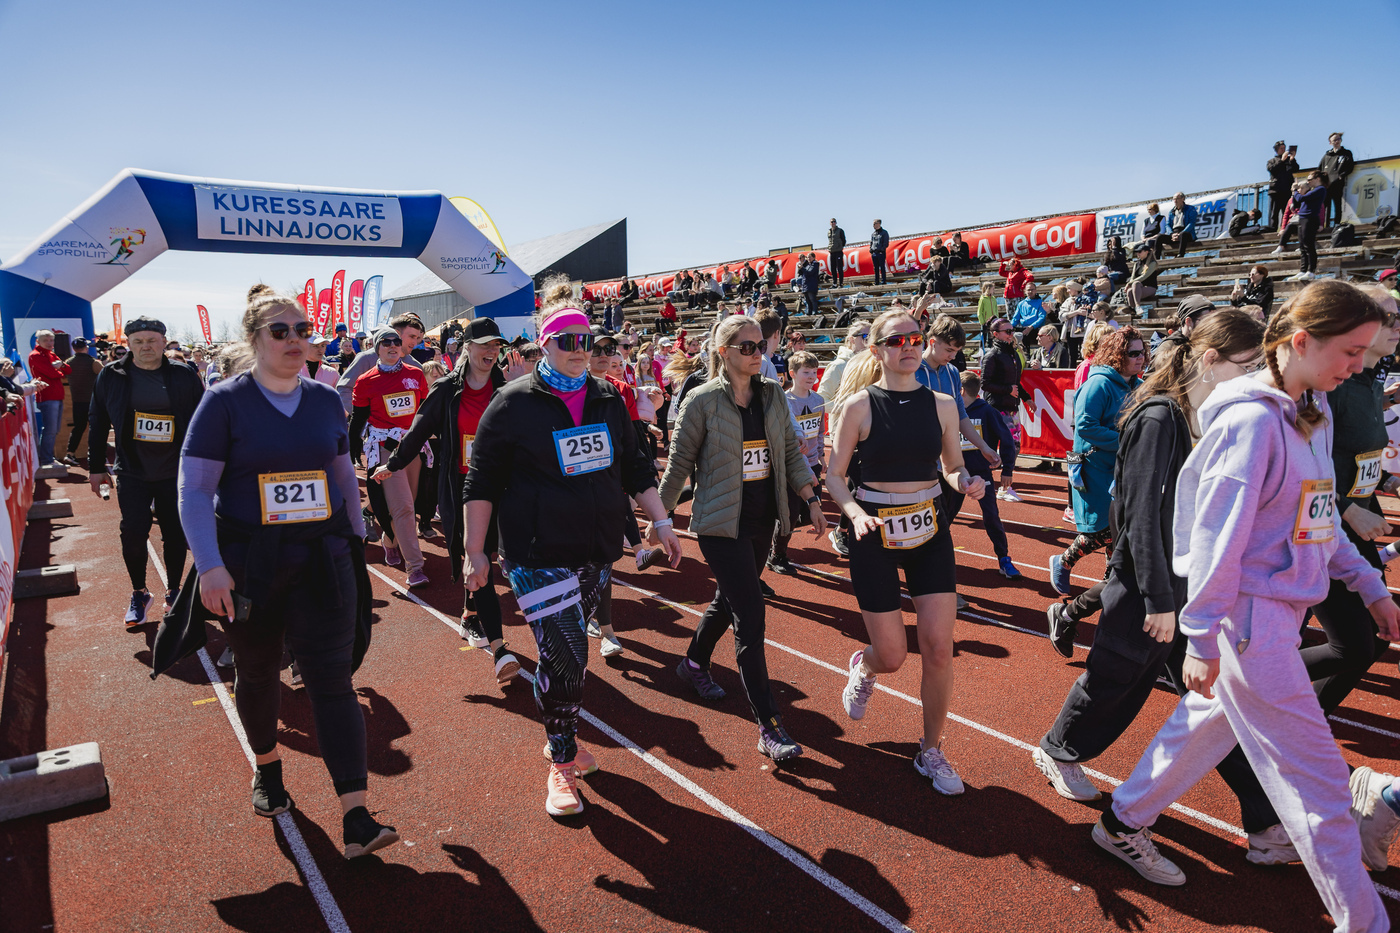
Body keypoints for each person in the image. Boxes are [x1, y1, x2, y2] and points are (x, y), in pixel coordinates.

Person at [1093, 282, 1400, 927]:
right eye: (1351, 351)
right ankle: (1364, 921)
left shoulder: (1314, 408)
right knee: (1320, 785)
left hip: (1273, 616)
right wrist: (1202, 634)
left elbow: (1318, 521)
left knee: (1201, 730)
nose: (1359, 366)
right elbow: (1214, 537)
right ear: (1301, 341)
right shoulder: (1252, 422)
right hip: (1249, 624)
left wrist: (1369, 586)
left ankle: (1121, 820)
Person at [1036, 311, 1299, 864]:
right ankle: (1059, 750)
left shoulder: (1214, 414)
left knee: (1214, 702)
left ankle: (1265, 823)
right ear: (1210, 360)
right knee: (1116, 680)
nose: (1257, 376)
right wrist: (1158, 599)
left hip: (1190, 584)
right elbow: (1139, 518)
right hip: (1147, 584)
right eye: (1248, 365)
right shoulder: (1159, 417)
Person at [179, 284, 397, 859]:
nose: (296, 339)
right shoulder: (223, 402)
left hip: (322, 558)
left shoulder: (324, 399)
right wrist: (210, 567)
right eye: (281, 331)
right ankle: (269, 768)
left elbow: (341, 471)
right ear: (254, 339)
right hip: (250, 566)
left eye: (303, 330)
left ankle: (356, 815)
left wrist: (356, 536)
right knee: (257, 674)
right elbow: (195, 490)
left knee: (332, 680)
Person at [464, 282, 680, 816]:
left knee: (566, 657)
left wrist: (661, 520)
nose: (580, 349)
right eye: (568, 340)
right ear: (545, 344)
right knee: (568, 656)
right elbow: (481, 481)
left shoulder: (606, 397)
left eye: (587, 340)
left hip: (595, 549)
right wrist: (474, 551)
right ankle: (561, 763)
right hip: (536, 553)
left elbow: (633, 467)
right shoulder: (512, 403)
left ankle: (558, 731)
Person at [827, 309, 986, 794]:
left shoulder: (943, 404)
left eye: (915, 338)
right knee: (894, 654)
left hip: (929, 530)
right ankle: (866, 665)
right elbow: (835, 476)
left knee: (938, 647)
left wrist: (967, 480)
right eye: (896, 341)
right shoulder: (859, 406)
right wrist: (854, 513)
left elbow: (952, 467)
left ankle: (930, 749)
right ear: (877, 350)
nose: (909, 346)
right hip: (874, 531)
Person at [659, 315, 825, 761]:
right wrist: (660, 517)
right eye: (747, 347)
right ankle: (769, 726)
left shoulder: (772, 394)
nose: (757, 354)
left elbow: (789, 451)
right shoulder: (701, 401)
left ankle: (693, 662)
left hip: (761, 520)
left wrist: (810, 497)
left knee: (728, 599)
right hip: (719, 524)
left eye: (760, 347)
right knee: (750, 615)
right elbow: (678, 465)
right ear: (723, 352)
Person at [373, 316, 529, 686]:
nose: (491, 351)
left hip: (502, 485)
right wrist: (393, 464)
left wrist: (521, 388)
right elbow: (418, 430)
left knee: (489, 557)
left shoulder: (506, 385)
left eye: (496, 345)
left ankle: (471, 614)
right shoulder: (446, 389)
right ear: (467, 348)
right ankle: (499, 648)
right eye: (484, 344)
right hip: (461, 486)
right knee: (476, 556)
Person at [1304, 283, 1400, 715]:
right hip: (1321, 525)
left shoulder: (1368, 380)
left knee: (1371, 638)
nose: (1397, 326)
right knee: (1357, 642)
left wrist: (1387, 483)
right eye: (1387, 317)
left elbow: (1357, 455)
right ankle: (1258, 691)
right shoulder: (1333, 386)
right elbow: (1306, 462)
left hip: (1351, 524)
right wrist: (1346, 508)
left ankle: (1307, 718)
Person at [88, 317, 205, 624]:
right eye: (138, 342)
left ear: (164, 342)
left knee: (175, 533)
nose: (146, 347)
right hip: (132, 469)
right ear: (128, 344)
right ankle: (139, 592)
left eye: (152, 340)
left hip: (175, 470)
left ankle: (174, 591)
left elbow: (202, 419)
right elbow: (98, 420)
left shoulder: (183, 374)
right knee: (133, 533)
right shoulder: (112, 374)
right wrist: (96, 467)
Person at [1049, 327, 1145, 596]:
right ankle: (1064, 561)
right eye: (1133, 353)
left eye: (1142, 352)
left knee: (1121, 528)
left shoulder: (1139, 386)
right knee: (1103, 529)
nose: (1140, 358)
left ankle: (1109, 584)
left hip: (1122, 466)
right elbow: (1086, 427)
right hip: (1093, 467)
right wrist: (1127, 440)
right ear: (1117, 355)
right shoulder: (1097, 384)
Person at [350, 329, 430, 588]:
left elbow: (424, 410)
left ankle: (389, 539)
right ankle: (415, 568)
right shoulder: (365, 380)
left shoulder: (416, 374)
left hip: (413, 447)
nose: (393, 345)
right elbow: (359, 418)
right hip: (384, 447)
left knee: (411, 503)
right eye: (386, 342)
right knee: (402, 507)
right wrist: (353, 448)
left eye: (397, 341)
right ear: (377, 347)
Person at [766, 350, 825, 575]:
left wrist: (821, 456)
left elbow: (819, 432)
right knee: (789, 514)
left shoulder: (818, 400)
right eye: (806, 372)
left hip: (813, 463)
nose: (811, 377)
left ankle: (777, 528)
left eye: (814, 372)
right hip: (793, 466)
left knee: (807, 513)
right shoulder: (785, 400)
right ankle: (777, 554)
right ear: (792, 373)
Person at [980, 318, 1025, 502]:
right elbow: (985, 383)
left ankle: (1002, 487)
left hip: (1012, 407)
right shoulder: (992, 355)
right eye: (1007, 331)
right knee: (1000, 446)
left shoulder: (1012, 353)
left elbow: (1016, 382)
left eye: (1012, 330)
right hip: (997, 408)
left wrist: (1027, 398)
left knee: (1013, 446)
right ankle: (995, 486)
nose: (1010, 334)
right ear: (995, 334)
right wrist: (1008, 390)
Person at [28, 329, 71, 468]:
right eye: (45, 340)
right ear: (38, 341)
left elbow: (68, 370)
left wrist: (61, 366)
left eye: (51, 340)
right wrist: (59, 369)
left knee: (54, 430)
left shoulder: (51, 354)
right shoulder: (35, 355)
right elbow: (53, 374)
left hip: (57, 396)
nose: (49, 343)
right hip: (47, 396)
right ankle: (46, 460)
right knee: (50, 430)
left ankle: (48, 458)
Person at [61, 337, 101, 468]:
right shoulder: (93, 362)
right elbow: (106, 376)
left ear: (73, 348)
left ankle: (70, 453)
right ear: (86, 347)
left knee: (78, 428)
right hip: (93, 401)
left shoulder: (68, 362)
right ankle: (95, 454)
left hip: (77, 401)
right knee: (96, 428)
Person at [1289, 171, 1328, 282]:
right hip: (1302, 218)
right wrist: (1295, 193)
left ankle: (1311, 271)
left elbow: (1302, 198)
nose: (1308, 182)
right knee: (1302, 245)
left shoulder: (1320, 189)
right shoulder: (1311, 191)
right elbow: (1297, 201)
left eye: (1310, 180)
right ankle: (1303, 270)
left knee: (1308, 245)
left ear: (1317, 179)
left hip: (1310, 219)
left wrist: (1295, 190)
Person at [1320, 132, 1355, 229]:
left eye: (1338, 139)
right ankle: (1324, 225)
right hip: (1326, 185)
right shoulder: (1327, 155)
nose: (1337, 141)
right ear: (1330, 142)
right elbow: (1320, 169)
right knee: (1325, 205)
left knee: (1337, 204)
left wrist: (1341, 176)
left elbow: (1350, 166)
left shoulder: (1346, 153)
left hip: (1337, 184)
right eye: (1334, 140)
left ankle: (1337, 224)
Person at [1267, 141, 1300, 230]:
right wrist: (1281, 160)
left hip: (1287, 190)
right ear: (1277, 150)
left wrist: (1292, 160)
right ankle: (1272, 229)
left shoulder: (1290, 160)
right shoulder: (1272, 161)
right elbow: (1272, 169)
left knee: (1286, 210)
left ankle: (1284, 228)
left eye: (1284, 148)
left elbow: (1296, 170)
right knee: (1274, 212)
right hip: (1276, 190)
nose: (1283, 150)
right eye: (1281, 148)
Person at [1124, 242, 1159, 316]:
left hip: (1150, 288)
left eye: (1140, 252)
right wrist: (1129, 284)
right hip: (1138, 289)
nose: (1138, 254)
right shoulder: (1137, 264)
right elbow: (1132, 277)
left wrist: (1129, 283)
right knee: (1129, 291)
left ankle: (1137, 306)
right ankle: (1133, 312)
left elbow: (1144, 276)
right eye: (1137, 252)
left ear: (1146, 252)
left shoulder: (1152, 263)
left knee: (1136, 283)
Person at [828, 219, 847, 288]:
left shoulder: (840, 230)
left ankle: (841, 283)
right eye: (832, 222)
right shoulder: (829, 232)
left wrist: (840, 246)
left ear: (836, 223)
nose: (833, 223)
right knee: (833, 268)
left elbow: (843, 240)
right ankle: (834, 283)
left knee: (839, 268)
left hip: (838, 251)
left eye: (834, 222)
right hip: (832, 251)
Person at [870, 220, 890, 286]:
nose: (873, 226)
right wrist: (871, 249)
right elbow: (871, 242)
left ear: (878, 224)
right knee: (875, 268)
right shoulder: (873, 234)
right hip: (874, 253)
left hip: (881, 252)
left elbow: (886, 242)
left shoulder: (884, 232)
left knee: (882, 267)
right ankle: (876, 281)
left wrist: (882, 249)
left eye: (874, 224)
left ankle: (883, 280)